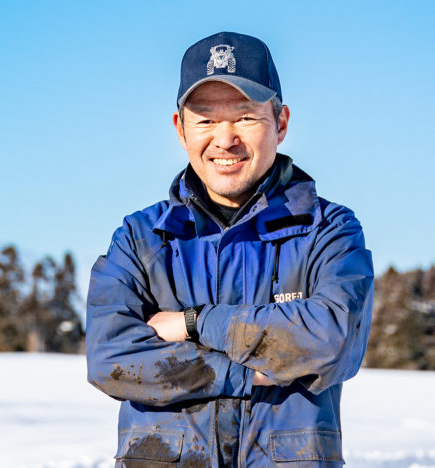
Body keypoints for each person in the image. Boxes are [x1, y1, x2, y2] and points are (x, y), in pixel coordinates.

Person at [86, 31, 374, 468]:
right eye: (205, 120)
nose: (225, 139)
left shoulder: (328, 230)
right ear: (180, 129)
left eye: (244, 117)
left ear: (280, 122)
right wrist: (246, 370)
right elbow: (111, 358)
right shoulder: (141, 238)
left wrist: (195, 323)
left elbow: (331, 341)